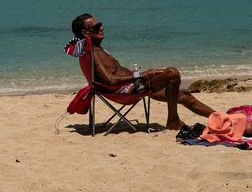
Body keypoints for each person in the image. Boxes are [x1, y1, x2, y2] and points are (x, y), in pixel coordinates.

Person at [72, 13, 215, 131]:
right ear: (85, 32)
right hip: (126, 91)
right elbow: (110, 80)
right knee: (172, 73)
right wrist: (141, 74)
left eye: (100, 24)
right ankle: (173, 120)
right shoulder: (92, 52)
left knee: (184, 95)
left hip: (134, 86)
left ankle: (223, 118)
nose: (101, 27)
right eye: (96, 27)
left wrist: (138, 75)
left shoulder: (95, 49)